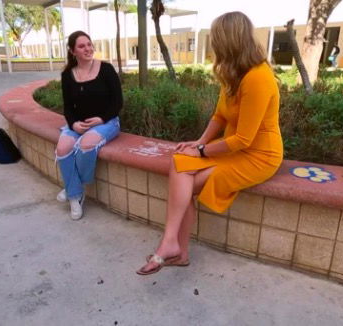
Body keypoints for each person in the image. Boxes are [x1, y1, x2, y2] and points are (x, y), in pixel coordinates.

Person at [137, 12, 283, 275]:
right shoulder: (233, 72)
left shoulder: (258, 77)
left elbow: (243, 140)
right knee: (180, 162)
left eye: (215, 38)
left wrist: (203, 151)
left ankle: (174, 247)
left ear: (227, 40)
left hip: (259, 156)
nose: (212, 43)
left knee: (184, 179)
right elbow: (219, 116)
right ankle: (173, 246)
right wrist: (199, 141)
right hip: (234, 148)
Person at [55, 31, 122, 220]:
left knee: (86, 145)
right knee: (62, 148)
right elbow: (68, 107)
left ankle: (72, 188)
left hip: (107, 121)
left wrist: (101, 119)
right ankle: (75, 194)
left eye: (89, 44)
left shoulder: (106, 69)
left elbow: (118, 102)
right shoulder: (68, 75)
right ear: (72, 51)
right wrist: (73, 124)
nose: (88, 49)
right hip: (78, 124)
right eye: (82, 46)